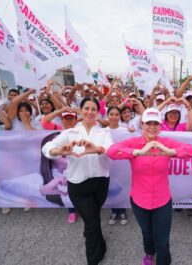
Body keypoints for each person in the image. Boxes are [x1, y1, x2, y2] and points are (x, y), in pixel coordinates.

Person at [107, 108, 192, 265]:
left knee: (162, 240)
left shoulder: (165, 143)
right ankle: (149, 253)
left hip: (162, 201)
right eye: (148, 123)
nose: (152, 127)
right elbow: (112, 151)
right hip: (139, 200)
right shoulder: (134, 142)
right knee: (147, 232)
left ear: (161, 126)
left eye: (156, 123)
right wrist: (138, 152)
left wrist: (170, 151)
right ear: (142, 124)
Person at [42, 97, 113, 265]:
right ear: (81, 111)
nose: (89, 112)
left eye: (93, 109)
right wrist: (58, 150)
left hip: (100, 182)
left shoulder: (104, 132)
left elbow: (111, 150)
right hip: (78, 185)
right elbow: (46, 148)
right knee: (91, 222)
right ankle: (93, 259)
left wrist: (97, 149)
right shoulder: (69, 133)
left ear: (98, 112)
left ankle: (101, 245)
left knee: (93, 217)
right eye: (86, 108)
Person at [105, 106, 134, 226]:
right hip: (107, 164)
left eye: (117, 114)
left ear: (120, 116)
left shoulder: (125, 130)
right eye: (111, 114)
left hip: (121, 164)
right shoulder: (102, 131)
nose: (114, 117)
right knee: (110, 187)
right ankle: (113, 211)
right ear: (107, 116)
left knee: (121, 186)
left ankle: (122, 211)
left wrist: (131, 130)